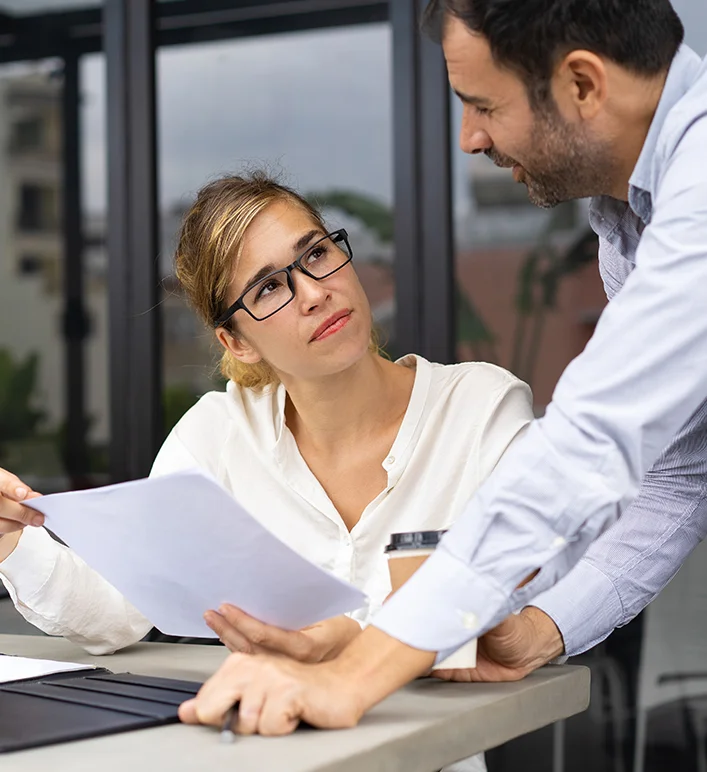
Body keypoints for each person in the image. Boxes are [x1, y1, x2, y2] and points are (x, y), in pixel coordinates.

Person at [177, 0, 707, 737]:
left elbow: (590, 446)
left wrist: (357, 675)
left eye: (483, 104)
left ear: (583, 84)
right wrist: (542, 630)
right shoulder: (627, 221)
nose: (469, 138)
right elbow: (681, 475)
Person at [0, 171, 532, 768]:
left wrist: (358, 644)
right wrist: (13, 543)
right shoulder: (218, 435)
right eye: (268, 288)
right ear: (237, 341)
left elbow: (519, 601)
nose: (312, 292)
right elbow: (116, 612)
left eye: (316, 254)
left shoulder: (481, 408)